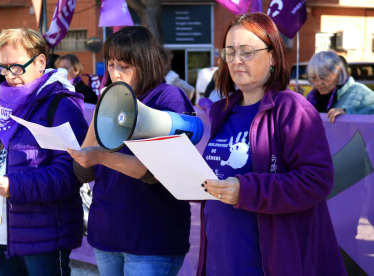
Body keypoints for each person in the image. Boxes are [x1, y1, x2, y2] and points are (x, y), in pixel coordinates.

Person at [197, 13, 346, 276]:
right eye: (230, 52)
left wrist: (246, 189)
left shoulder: (293, 108)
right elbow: (215, 179)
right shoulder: (223, 111)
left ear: (274, 56)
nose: (237, 60)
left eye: (247, 51)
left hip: (268, 265)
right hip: (219, 260)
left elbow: (317, 179)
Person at [0, 28, 88, 276]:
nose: (9, 75)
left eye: (16, 66)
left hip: (44, 236)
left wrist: (13, 185)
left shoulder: (61, 105)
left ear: (40, 61)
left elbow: (70, 174)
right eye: (3, 67)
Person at [68, 26, 193, 276]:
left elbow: (156, 172)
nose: (115, 73)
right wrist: (101, 112)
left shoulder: (168, 98)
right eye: (111, 64)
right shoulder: (111, 98)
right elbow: (84, 172)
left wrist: (102, 156)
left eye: (124, 65)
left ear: (145, 63)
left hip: (151, 239)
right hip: (107, 233)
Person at [306, 50, 374, 122]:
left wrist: (347, 114)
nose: (318, 83)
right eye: (314, 78)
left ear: (338, 71)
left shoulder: (363, 94)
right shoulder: (311, 97)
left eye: (322, 77)